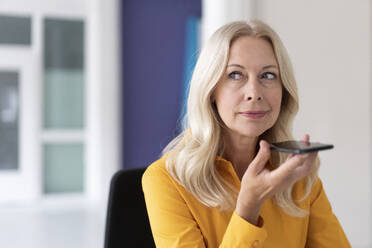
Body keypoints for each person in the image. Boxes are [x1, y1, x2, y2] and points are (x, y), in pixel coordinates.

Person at [142, 20, 351, 247]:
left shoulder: (298, 176)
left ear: (284, 90)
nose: (254, 92)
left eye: (268, 76)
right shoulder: (165, 180)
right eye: (235, 75)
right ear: (211, 90)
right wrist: (248, 207)